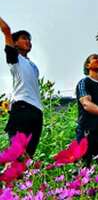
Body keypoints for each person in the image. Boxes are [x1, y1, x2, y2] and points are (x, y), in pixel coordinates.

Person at [0, 17, 43, 158]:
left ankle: (18, 180)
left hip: (37, 112)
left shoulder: (33, 66)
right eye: (24, 38)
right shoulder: (15, 59)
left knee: (28, 159)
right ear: (15, 43)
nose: (28, 42)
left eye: (29, 39)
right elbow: (6, 30)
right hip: (22, 108)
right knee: (17, 154)